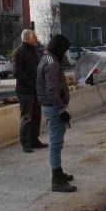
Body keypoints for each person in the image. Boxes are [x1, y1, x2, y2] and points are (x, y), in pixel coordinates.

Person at [37, 35, 76, 192]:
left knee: (57, 142)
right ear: (59, 49)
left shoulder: (47, 58)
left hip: (51, 106)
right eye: (64, 50)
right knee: (55, 143)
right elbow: (51, 89)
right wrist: (61, 109)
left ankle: (59, 172)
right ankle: (56, 180)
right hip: (53, 108)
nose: (65, 54)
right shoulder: (52, 63)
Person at [14, 29, 46, 153]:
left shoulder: (36, 51)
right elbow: (16, 72)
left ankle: (34, 140)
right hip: (25, 91)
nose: (36, 38)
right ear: (27, 38)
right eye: (34, 37)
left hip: (36, 90)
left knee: (36, 116)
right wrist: (30, 82)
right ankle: (26, 143)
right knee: (26, 117)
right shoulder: (19, 52)